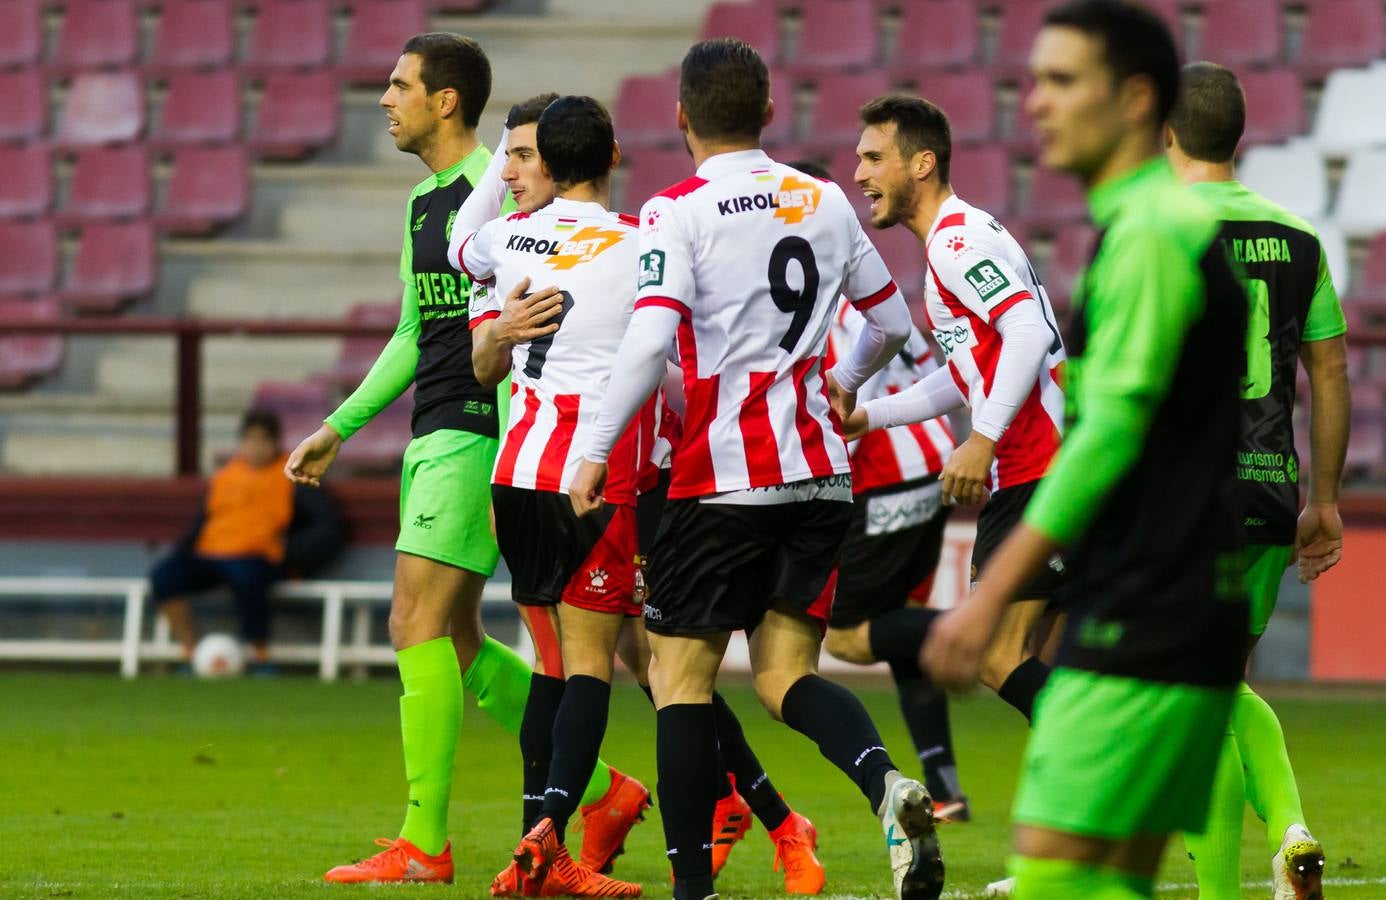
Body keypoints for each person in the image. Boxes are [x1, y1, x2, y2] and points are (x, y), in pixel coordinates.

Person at [570, 38, 944, 900]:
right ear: (769, 111)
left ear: (680, 118)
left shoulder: (676, 210)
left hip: (723, 479)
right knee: (786, 678)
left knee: (678, 679)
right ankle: (888, 785)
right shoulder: (822, 197)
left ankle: (692, 890)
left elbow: (653, 337)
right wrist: (841, 388)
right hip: (819, 477)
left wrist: (595, 450)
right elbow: (887, 323)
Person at [284, 39, 642, 885]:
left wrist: (515, 459)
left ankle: (426, 841)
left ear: (446, 100)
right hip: (436, 426)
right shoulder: (421, 204)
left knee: (417, 625)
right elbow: (417, 330)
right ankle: (598, 791)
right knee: (457, 633)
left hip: (484, 435)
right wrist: (340, 423)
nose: (385, 98)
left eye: (400, 84)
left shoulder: (508, 188)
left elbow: (536, 338)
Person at [457, 92, 826, 897]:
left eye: (524, 157)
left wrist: (498, 170)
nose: (512, 170)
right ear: (615, 154)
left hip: (548, 471)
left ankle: (764, 819)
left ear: (546, 163)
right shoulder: (638, 241)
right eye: (508, 158)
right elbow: (670, 351)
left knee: (637, 665)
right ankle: (569, 843)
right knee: (629, 666)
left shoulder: (504, 239)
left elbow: (463, 245)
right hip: (603, 478)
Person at [923, 4, 1249, 899]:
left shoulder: (1147, 235)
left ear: (1138, 99)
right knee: (1114, 886)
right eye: (1034, 80)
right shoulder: (1163, 227)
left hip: (1142, 614)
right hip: (1185, 604)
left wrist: (987, 597)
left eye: (1064, 81)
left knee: (1059, 882)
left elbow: (1110, 434)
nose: (1036, 103)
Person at [1167, 61, 1346, 900]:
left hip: (1183, 497)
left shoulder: (1152, 230)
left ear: (1165, 132)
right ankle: (1292, 835)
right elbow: (1331, 375)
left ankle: (1229, 884)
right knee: (1223, 682)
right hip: (1272, 486)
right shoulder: (1298, 236)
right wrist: (1327, 501)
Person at [841, 94, 1066, 726]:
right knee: (1041, 663)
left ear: (922, 164)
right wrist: (875, 415)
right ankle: (1104, 805)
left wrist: (984, 440)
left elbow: (1027, 332)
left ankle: (1132, 760)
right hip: (1044, 466)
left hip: (1034, 469)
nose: (859, 173)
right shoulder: (961, 235)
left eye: (874, 157)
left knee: (995, 656)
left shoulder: (955, 242)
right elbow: (972, 369)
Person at [780, 158, 969, 823]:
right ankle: (944, 782)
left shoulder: (804, 309)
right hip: (936, 467)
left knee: (852, 638)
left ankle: (973, 631)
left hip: (883, 479)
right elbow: (932, 369)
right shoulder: (876, 298)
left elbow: (837, 419)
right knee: (901, 637)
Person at [151, 409, 309, 670]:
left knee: (246, 579)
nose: (255, 447)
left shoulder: (293, 474)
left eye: (263, 440)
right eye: (249, 440)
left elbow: (325, 525)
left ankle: (259, 652)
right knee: (164, 577)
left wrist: (294, 554)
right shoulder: (225, 476)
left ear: (275, 443)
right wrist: (183, 549)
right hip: (211, 554)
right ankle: (191, 651)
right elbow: (205, 519)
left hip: (257, 556)